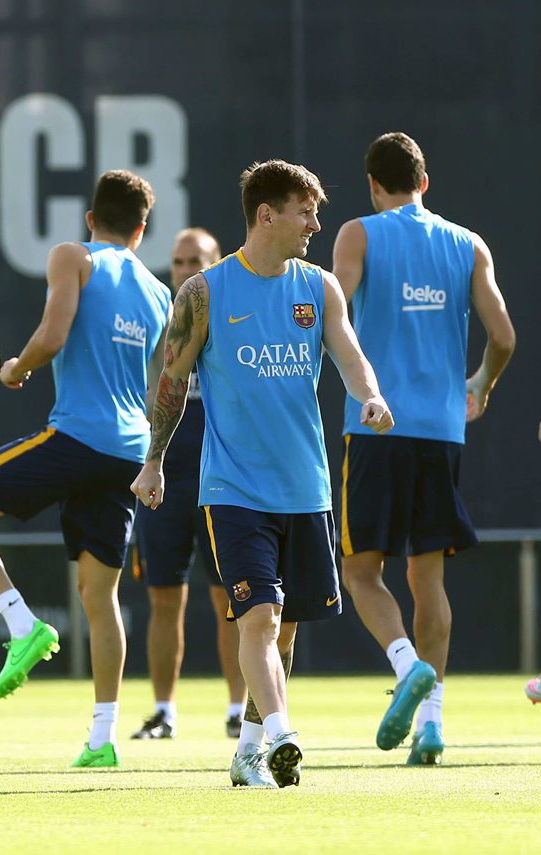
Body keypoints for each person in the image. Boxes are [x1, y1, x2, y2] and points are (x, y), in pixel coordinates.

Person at [132, 160, 393, 788]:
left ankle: (249, 748)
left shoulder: (321, 286)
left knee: (286, 633)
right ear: (266, 214)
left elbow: (350, 355)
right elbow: (171, 380)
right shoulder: (205, 292)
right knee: (260, 619)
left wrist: (370, 395)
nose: (314, 222)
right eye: (305, 211)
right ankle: (281, 734)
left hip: (306, 489)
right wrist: (154, 459)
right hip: (234, 489)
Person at [0, 170, 169, 768]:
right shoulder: (158, 292)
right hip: (127, 452)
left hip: (78, 438)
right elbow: (157, 386)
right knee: (100, 595)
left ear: (91, 220)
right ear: (142, 229)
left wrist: (16, 367)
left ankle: (21, 624)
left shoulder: (73, 256)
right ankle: (103, 738)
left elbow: (53, 334)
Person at [332, 132, 515, 765]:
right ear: (425, 182)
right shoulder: (468, 245)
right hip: (441, 432)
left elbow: (335, 309)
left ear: (374, 187)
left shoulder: (358, 233)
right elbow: (504, 335)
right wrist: (480, 384)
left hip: (376, 425)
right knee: (427, 577)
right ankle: (432, 724)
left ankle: (406, 664)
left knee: (361, 571)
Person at [129, 227, 246, 741]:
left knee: (232, 598)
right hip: (167, 475)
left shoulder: (231, 315)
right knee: (163, 597)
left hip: (222, 473)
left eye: (194, 260)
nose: (183, 269)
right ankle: (163, 711)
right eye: (177, 261)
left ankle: (239, 708)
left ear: (216, 262)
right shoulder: (159, 318)